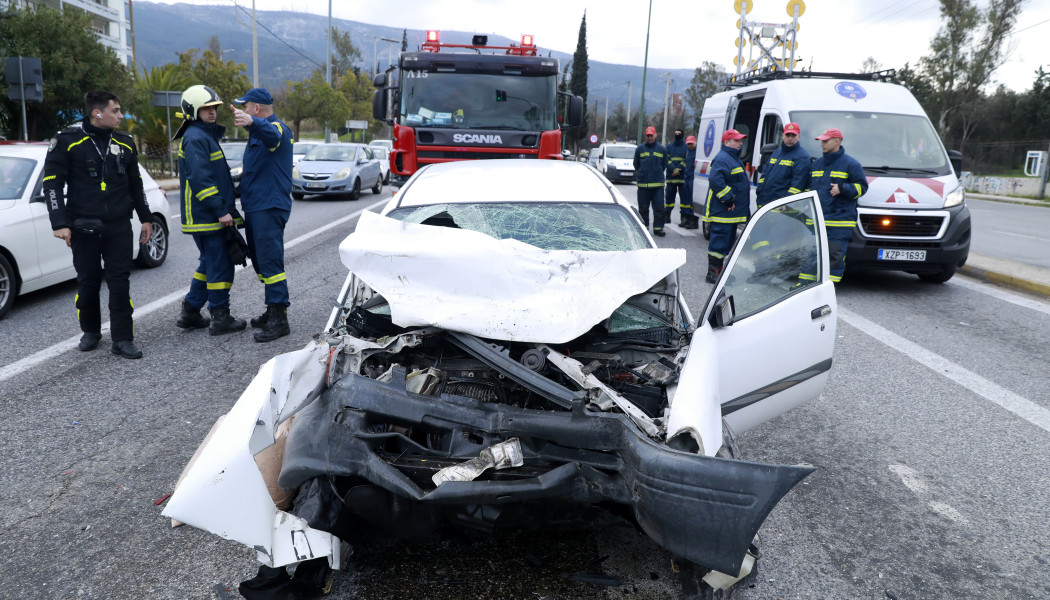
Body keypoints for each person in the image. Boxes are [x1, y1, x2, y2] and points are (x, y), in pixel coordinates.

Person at [44, 90, 153, 359]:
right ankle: (90, 331)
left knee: (119, 282)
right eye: (115, 111)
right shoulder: (67, 141)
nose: (120, 115)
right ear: (97, 113)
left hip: (118, 224)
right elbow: (52, 185)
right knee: (89, 282)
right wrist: (59, 222)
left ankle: (123, 338)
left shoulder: (125, 143)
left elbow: (135, 184)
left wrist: (146, 217)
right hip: (83, 224)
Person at [172, 84, 247, 335]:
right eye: (206, 109)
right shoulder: (196, 137)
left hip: (207, 215)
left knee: (209, 264)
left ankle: (191, 311)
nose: (212, 112)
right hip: (207, 216)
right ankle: (220, 317)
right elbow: (201, 180)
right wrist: (220, 211)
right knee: (220, 265)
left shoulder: (202, 135)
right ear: (193, 111)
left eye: (214, 108)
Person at [231, 88, 294, 343]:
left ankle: (280, 318)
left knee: (271, 262)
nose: (242, 111)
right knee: (260, 260)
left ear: (256, 109)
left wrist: (253, 122)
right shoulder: (258, 133)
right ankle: (272, 310)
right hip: (257, 206)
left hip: (269, 207)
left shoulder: (277, 129)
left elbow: (272, 134)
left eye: (245, 107)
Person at [801, 128, 868, 283]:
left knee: (834, 258)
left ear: (837, 142)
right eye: (821, 141)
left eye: (825, 141)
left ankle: (828, 289)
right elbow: (810, 187)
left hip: (839, 222)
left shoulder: (851, 164)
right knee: (810, 255)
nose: (822, 144)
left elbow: (862, 188)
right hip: (817, 220)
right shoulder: (817, 164)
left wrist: (843, 188)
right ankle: (804, 286)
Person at [702, 129, 751, 283]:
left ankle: (720, 271)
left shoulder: (732, 158)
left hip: (730, 212)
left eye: (740, 140)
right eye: (736, 140)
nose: (740, 143)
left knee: (727, 242)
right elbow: (716, 181)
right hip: (723, 210)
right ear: (726, 142)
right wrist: (728, 199)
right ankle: (713, 272)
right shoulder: (723, 158)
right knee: (720, 240)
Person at [755, 122, 811, 209]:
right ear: (782, 135)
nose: (790, 138)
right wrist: (759, 191)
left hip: (783, 209)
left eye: (793, 135)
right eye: (787, 135)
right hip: (765, 204)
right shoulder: (777, 152)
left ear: (799, 137)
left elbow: (797, 185)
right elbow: (765, 174)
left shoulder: (802, 157)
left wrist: (787, 203)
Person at [633, 126, 668, 237]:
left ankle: (658, 228)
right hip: (643, 185)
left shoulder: (662, 149)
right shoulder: (640, 149)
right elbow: (636, 164)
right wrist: (643, 173)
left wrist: (656, 173)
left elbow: (664, 164)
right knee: (643, 208)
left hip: (657, 185)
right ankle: (644, 228)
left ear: (655, 135)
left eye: (651, 135)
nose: (649, 138)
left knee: (659, 208)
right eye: (648, 136)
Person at [663, 128, 696, 229]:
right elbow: (666, 159)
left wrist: (679, 169)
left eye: (679, 133)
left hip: (682, 177)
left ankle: (684, 218)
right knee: (669, 198)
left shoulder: (686, 146)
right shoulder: (670, 146)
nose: (677, 135)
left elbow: (688, 159)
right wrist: (673, 168)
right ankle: (667, 215)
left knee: (685, 199)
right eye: (675, 133)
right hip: (671, 177)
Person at [681, 135, 699, 229]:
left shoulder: (697, 152)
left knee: (692, 200)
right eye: (688, 144)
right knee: (687, 199)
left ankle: (693, 221)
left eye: (691, 144)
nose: (690, 145)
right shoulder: (688, 152)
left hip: (693, 177)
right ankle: (687, 219)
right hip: (687, 176)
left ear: (695, 142)